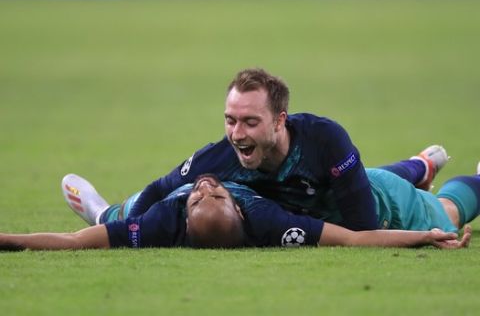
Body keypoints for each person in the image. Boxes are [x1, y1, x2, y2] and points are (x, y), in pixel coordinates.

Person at [126, 68, 449, 231]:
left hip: (387, 205)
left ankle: (438, 172)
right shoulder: (221, 156)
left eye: (250, 122)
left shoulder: (325, 141)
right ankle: (420, 165)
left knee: (449, 211)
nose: (237, 134)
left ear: (280, 120)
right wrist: (128, 233)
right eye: (230, 120)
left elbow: (362, 232)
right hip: (347, 186)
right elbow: (159, 189)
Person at [1, 159, 477, 251]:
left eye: (201, 195)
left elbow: (70, 242)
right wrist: (426, 237)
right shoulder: (270, 222)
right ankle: (433, 171)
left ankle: (109, 211)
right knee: (447, 215)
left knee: (123, 220)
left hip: (340, 184)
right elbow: (355, 238)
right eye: (213, 192)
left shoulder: (167, 217)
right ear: (239, 207)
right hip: (334, 189)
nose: (204, 187)